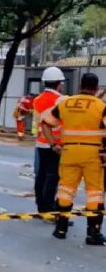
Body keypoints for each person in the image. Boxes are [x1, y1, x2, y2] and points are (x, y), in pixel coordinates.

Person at [41, 73, 106, 245]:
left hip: (68, 152)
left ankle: (60, 229)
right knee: (94, 193)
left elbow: (46, 123)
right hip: (93, 154)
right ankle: (93, 234)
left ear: (80, 86)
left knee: (65, 190)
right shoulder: (100, 105)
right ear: (96, 87)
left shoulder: (66, 103)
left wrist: (53, 144)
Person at [32, 67, 66, 215]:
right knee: (53, 177)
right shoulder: (62, 100)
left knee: (41, 175)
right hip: (56, 144)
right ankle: (49, 208)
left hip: (41, 142)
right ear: (59, 83)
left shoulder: (37, 99)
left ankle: (41, 207)